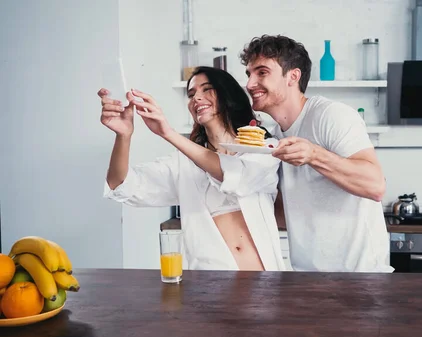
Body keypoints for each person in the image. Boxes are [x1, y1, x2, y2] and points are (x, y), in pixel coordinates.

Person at [100, 66, 286, 271]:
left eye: (206, 89)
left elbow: (235, 176)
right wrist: (123, 136)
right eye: (191, 94)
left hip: (265, 281)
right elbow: (121, 184)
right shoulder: (183, 164)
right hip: (211, 286)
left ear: (228, 93)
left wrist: (168, 133)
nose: (196, 98)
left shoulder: (265, 149)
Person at [240, 35, 394, 273]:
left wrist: (313, 155)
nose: (250, 84)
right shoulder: (272, 136)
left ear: (293, 76)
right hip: (307, 277)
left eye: (261, 72)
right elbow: (285, 214)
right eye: (249, 74)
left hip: (360, 278)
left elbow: (375, 186)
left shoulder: (330, 115)